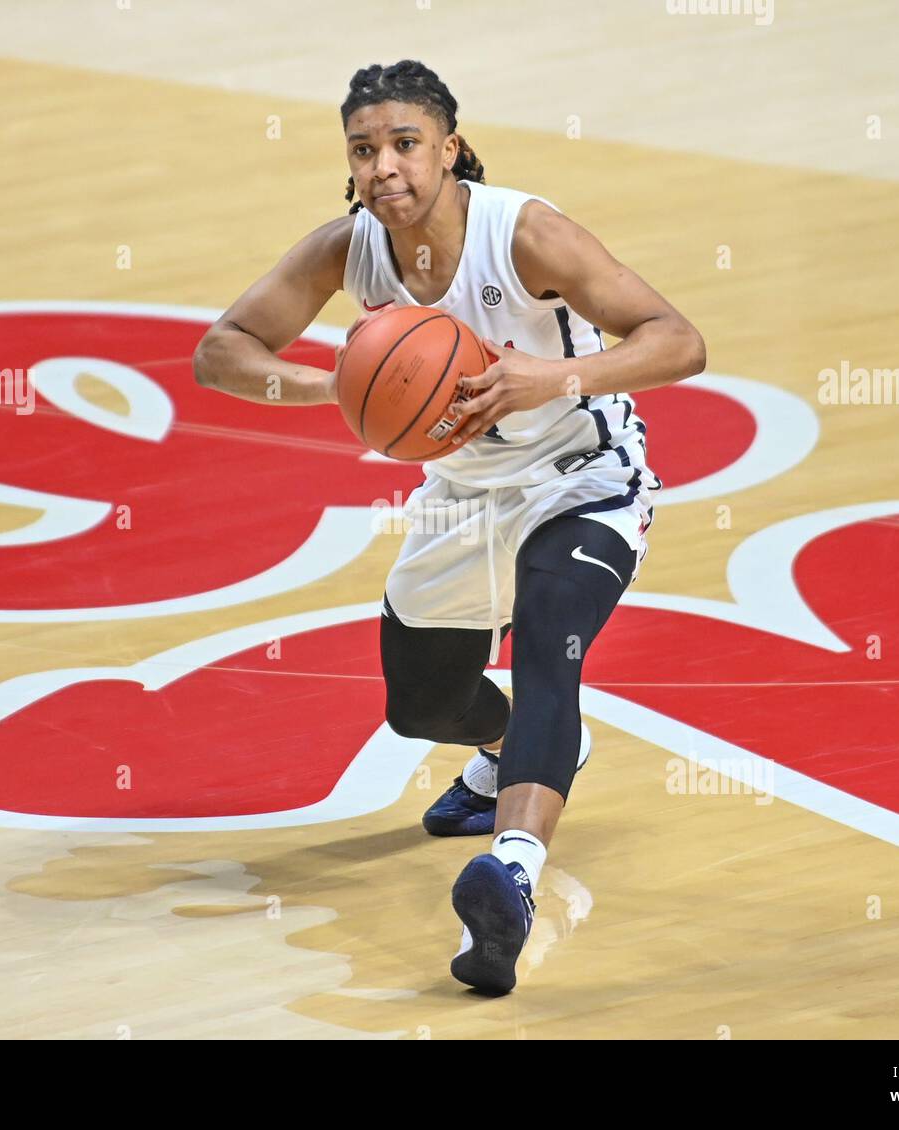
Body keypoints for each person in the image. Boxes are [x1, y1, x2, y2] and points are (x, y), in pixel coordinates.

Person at [194, 59, 704, 994]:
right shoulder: (347, 248)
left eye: (404, 143)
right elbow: (221, 352)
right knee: (420, 708)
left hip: (580, 475)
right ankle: (515, 747)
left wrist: (553, 377)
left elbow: (677, 339)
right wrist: (338, 383)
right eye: (363, 149)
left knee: (551, 637)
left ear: (450, 149)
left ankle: (511, 874)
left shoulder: (524, 232)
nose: (384, 166)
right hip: (463, 493)